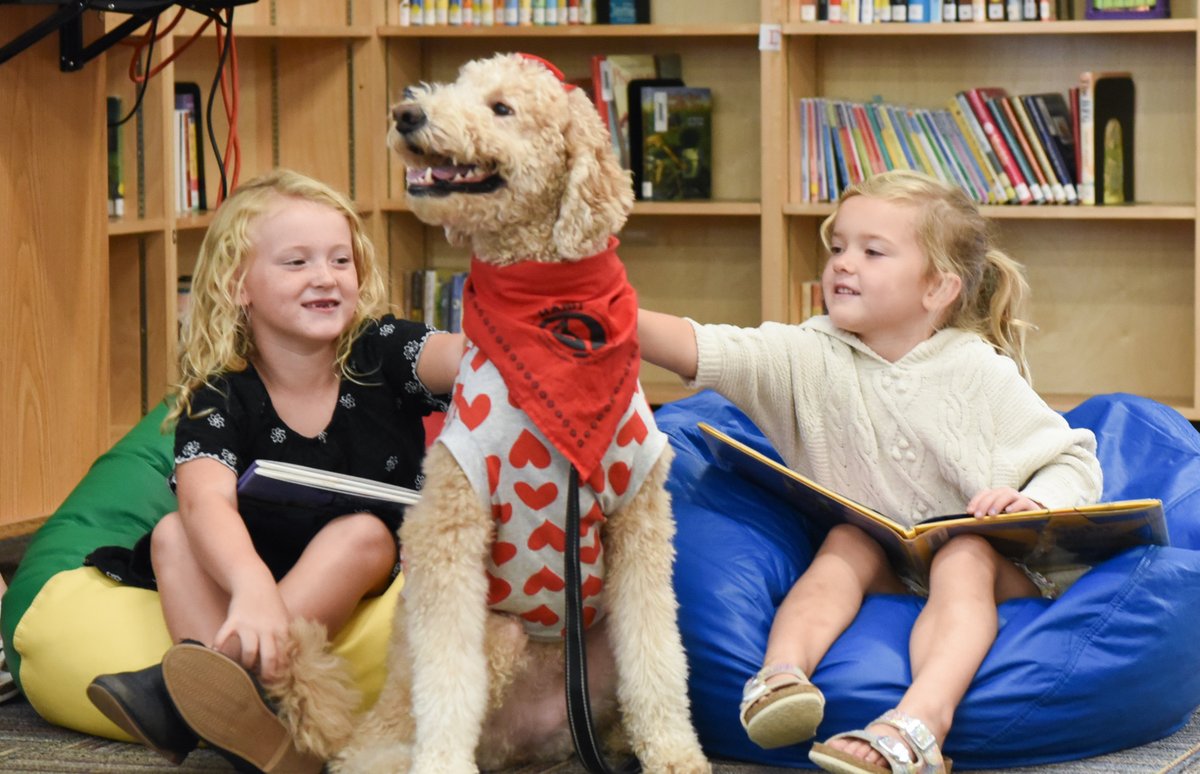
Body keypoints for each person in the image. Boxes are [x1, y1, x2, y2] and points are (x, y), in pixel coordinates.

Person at [638, 169, 1102, 774]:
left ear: (937, 288)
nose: (843, 264)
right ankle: (779, 678)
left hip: (999, 571)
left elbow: (1072, 458)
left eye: (872, 251)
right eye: (837, 247)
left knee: (963, 556)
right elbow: (705, 346)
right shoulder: (807, 355)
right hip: (888, 560)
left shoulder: (977, 372)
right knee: (845, 541)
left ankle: (921, 724)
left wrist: (1033, 503)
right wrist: (601, 313)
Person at [84, 169, 462, 772]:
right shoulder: (220, 390)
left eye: (341, 260)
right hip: (250, 568)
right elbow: (205, 498)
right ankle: (252, 720)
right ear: (240, 285)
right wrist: (251, 584)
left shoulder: (381, 348)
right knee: (173, 533)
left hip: (363, 558)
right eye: (296, 262)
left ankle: (185, 699)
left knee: (361, 532)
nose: (326, 276)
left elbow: (467, 359)